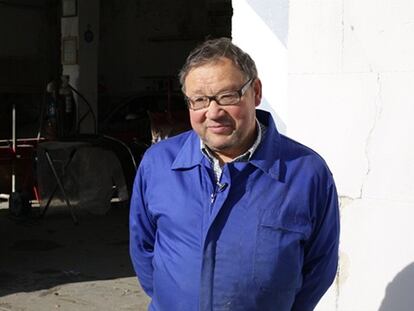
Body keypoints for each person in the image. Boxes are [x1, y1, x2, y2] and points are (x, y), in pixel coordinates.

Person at [129, 37, 340, 311]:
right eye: (200, 100)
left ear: (256, 91)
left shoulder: (306, 173)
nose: (213, 112)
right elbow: (143, 249)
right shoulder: (158, 164)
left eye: (228, 96)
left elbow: (319, 266)